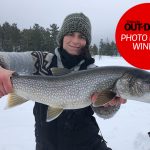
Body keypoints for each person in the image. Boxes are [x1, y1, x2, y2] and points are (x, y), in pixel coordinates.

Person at [0, 13, 126, 150]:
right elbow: (6, 58)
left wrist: (108, 105)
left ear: (87, 41)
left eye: (82, 36)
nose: (76, 40)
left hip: (87, 144)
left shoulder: (94, 72)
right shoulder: (42, 61)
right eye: (71, 34)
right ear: (62, 37)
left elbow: (104, 113)